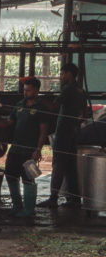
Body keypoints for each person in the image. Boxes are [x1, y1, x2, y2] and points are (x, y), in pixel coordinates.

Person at [38, 63, 87, 208]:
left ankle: (53, 198)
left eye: (62, 73)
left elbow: (54, 107)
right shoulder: (80, 90)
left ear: (69, 74)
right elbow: (84, 114)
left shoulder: (68, 89)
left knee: (58, 165)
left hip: (63, 132)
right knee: (71, 167)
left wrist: (40, 99)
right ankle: (75, 199)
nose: (61, 76)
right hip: (73, 133)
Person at [4, 77, 52, 218]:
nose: (25, 93)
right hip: (15, 148)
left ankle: (29, 209)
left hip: (29, 150)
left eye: (28, 90)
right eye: (24, 90)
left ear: (36, 91)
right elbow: (9, 122)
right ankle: (16, 205)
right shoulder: (19, 105)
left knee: (28, 178)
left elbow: (43, 131)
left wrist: (38, 150)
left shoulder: (41, 108)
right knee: (10, 175)